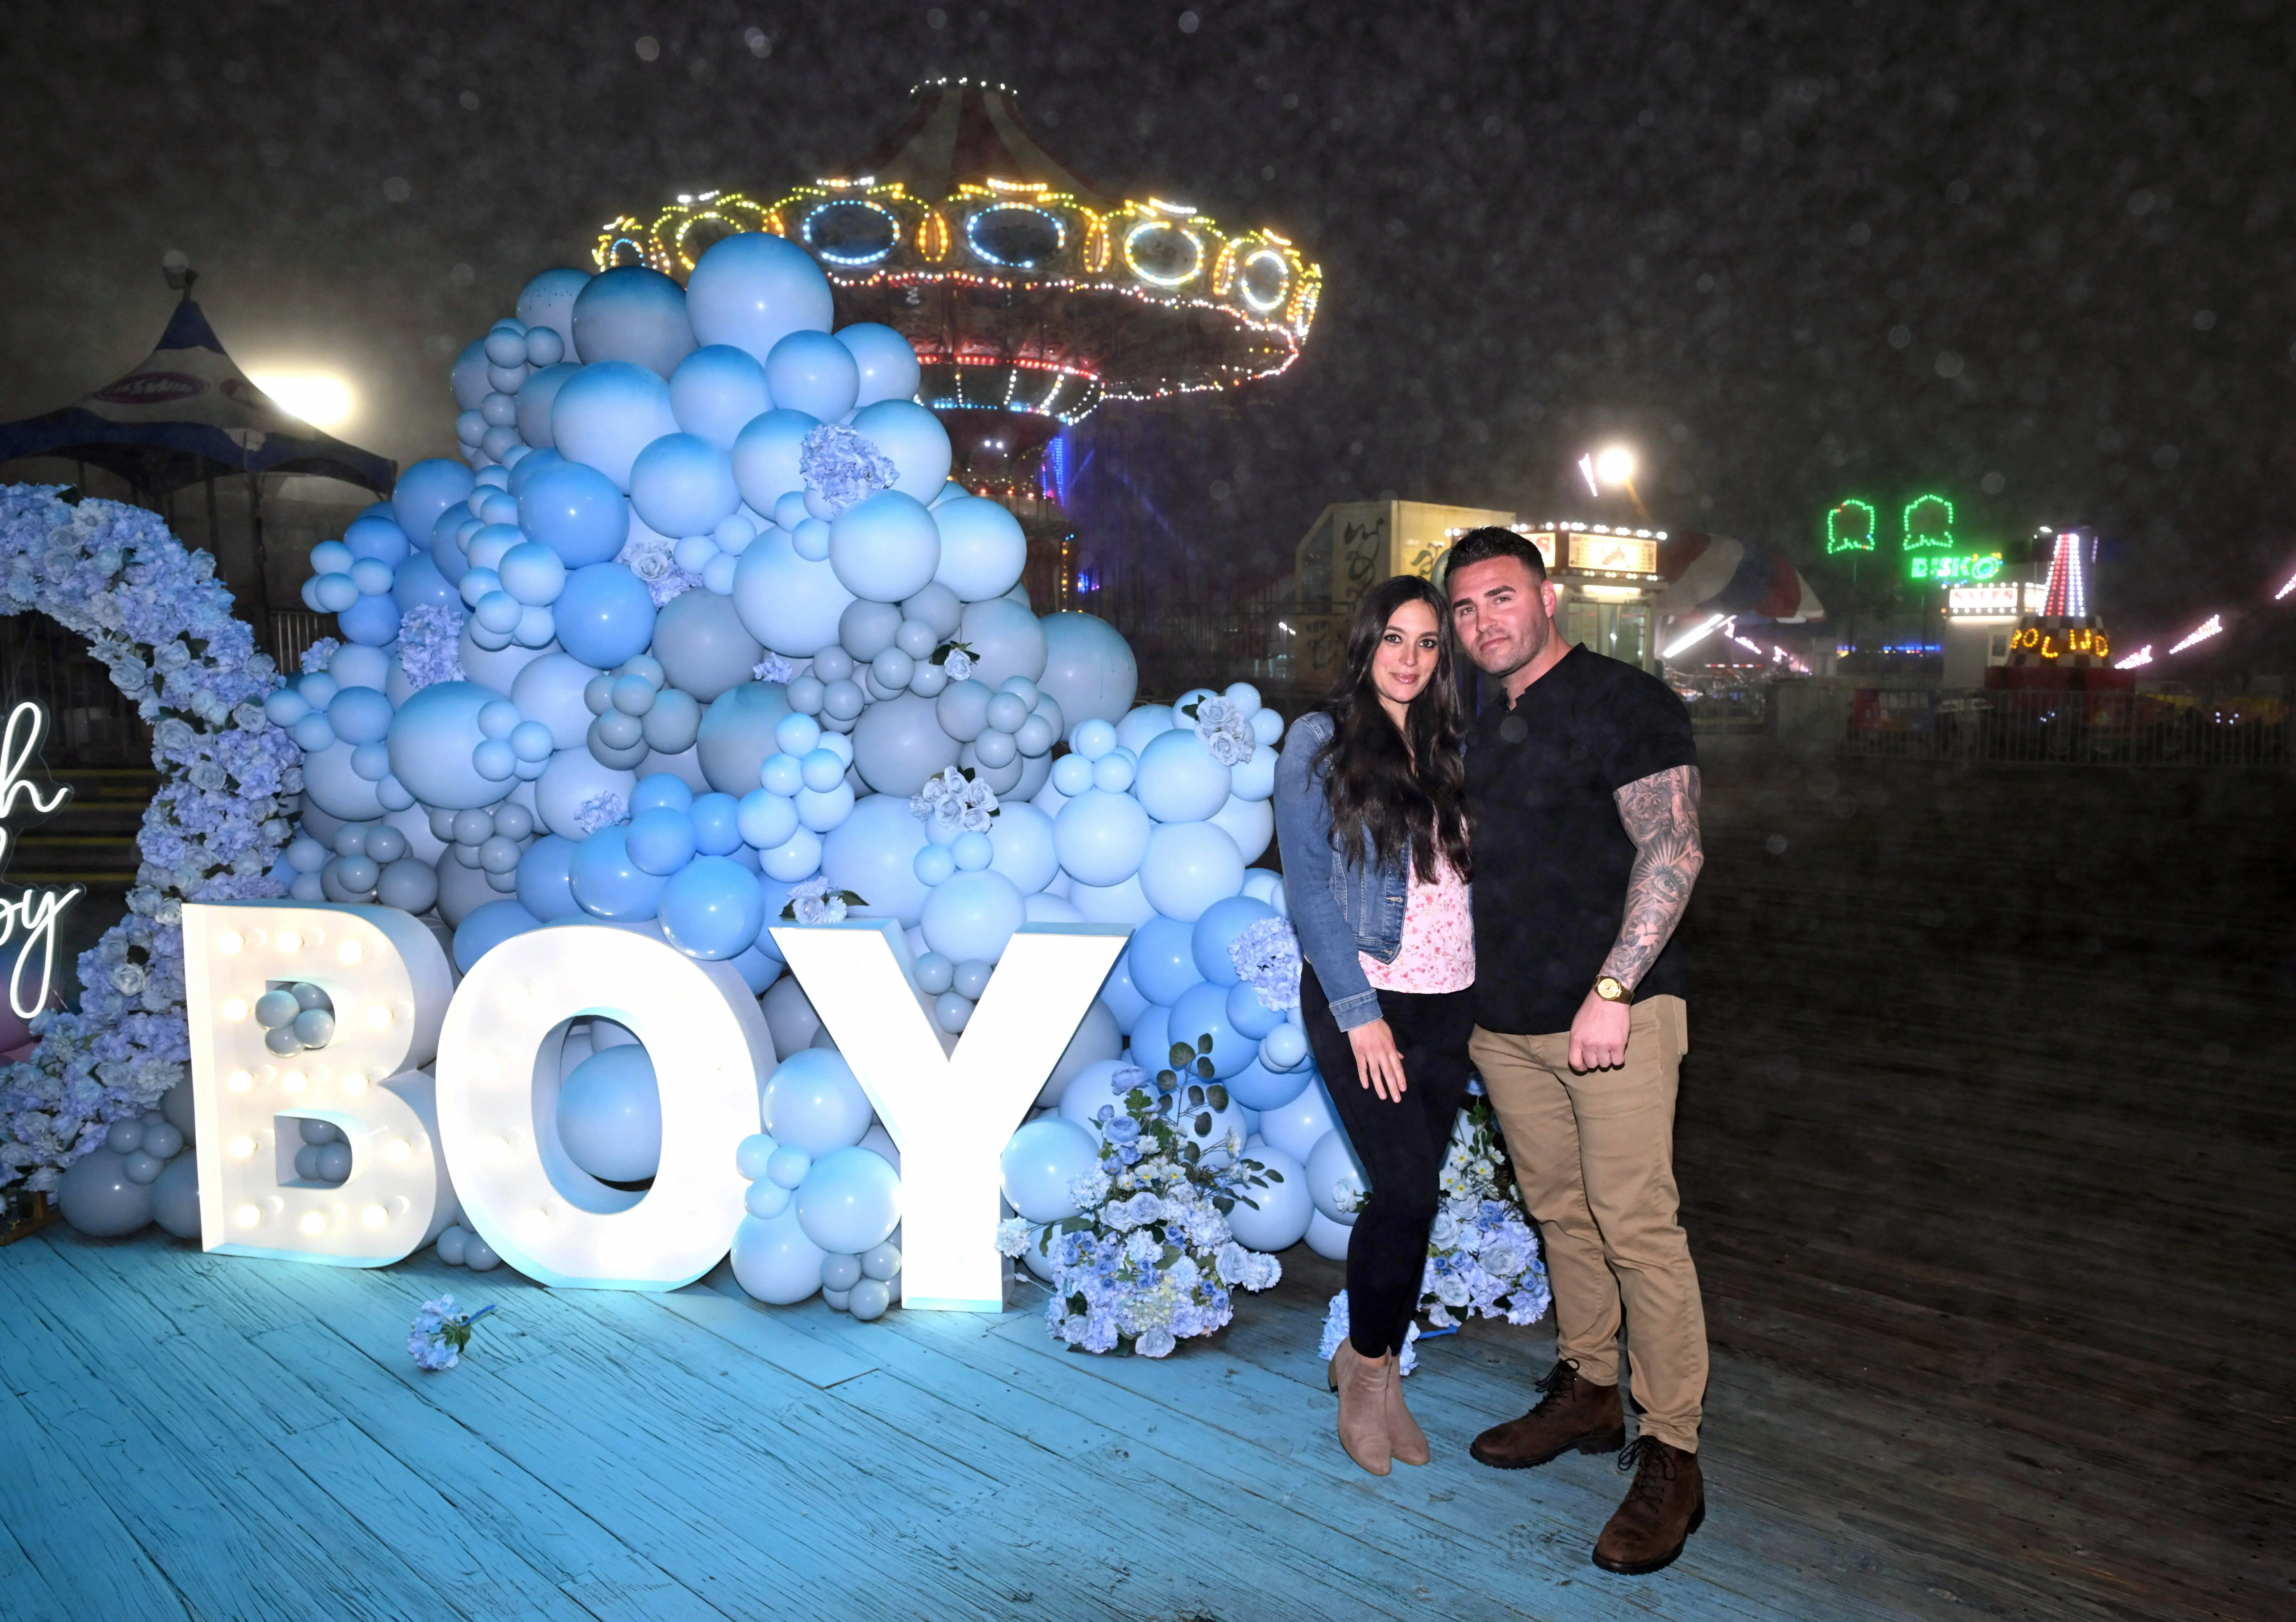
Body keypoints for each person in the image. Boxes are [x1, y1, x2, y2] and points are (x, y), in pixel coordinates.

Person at [1444, 525, 1709, 1576]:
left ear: (1546, 598)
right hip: (1503, 1022)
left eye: (1501, 597)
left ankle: (1672, 1451)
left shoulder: (1622, 700)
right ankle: (1589, 1388)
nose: (1483, 622)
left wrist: (1613, 988)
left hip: (1613, 1017)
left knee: (1636, 1225)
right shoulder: (1474, 723)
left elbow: (1672, 846)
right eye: (1465, 607)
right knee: (1559, 1212)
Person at [1273, 575, 1477, 1478]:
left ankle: (1383, 1369)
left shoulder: (1449, 745)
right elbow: (1310, 890)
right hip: (1367, 1001)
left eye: (1428, 642)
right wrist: (1359, 1016)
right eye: (1394, 637)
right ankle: (1363, 1371)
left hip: (1451, 1000)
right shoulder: (1319, 741)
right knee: (1406, 1194)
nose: (1410, 658)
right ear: (1366, 643)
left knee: (1412, 1199)